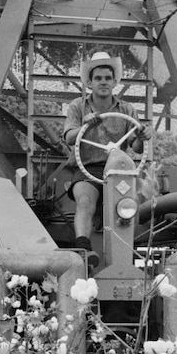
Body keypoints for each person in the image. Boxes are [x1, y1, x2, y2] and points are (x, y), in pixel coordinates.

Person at [62, 52, 151, 267]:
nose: (103, 82)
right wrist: (85, 125)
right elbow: (69, 138)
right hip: (87, 170)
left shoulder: (127, 110)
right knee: (85, 201)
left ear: (114, 82)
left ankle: (123, 258)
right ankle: (84, 250)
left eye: (107, 78)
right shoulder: (77, 107)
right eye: (98, 78)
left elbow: (136, 148)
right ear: (90, 83)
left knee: (126, 207)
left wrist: (141, 137)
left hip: (118, 172)